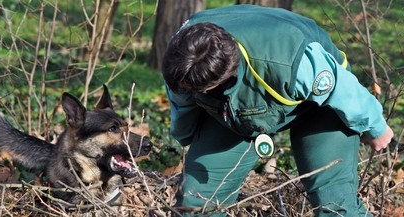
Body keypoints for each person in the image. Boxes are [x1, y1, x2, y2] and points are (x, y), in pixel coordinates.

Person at [161, 4, 394, 217]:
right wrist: (186, 136)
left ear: (219, 79)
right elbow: (182, 105)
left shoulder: (292, 59)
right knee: (195, 205)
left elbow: (343, 90)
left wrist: (375, 126)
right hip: (233, 114)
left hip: (318, 108)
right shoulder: (183, 58)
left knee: (334, 205)